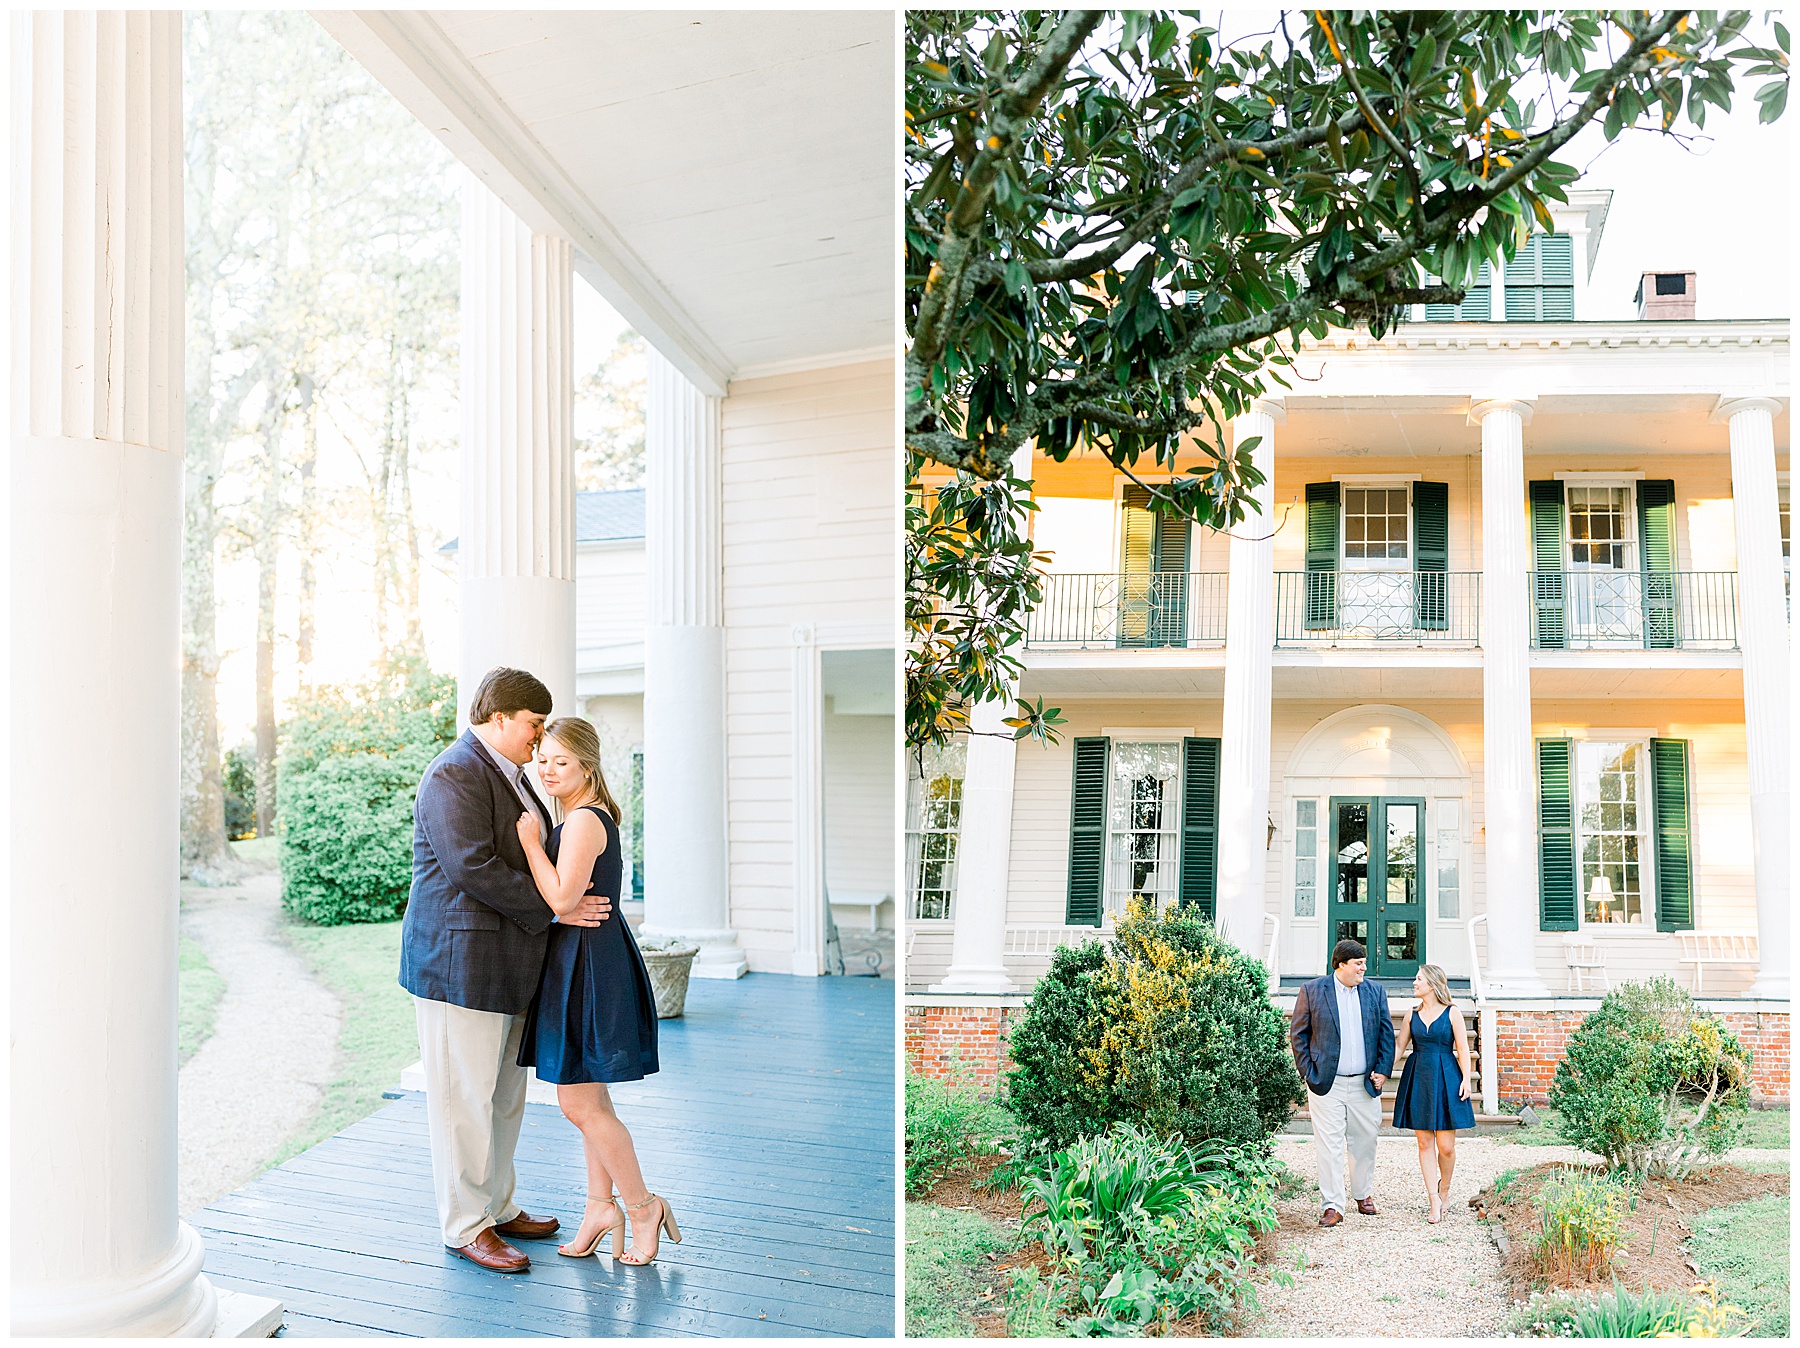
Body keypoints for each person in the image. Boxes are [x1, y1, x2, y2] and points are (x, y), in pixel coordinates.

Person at [401, 666, 611, 1274]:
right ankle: (465, 1225)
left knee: (502, 1098)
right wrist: (555, 907)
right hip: (457, 967)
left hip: (508, 966)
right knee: (461, 1100)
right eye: (533, 724)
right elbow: (473, 868)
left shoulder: (513, 775)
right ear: (499, 719)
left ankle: (496, 1203)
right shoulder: (453, 774)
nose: (539, 738)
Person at [515, 716, 678, 1267]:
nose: (548, 770)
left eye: (562, 762)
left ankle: (642, 1205)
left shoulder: (584, 821)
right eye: (543, 760)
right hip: (582, 961)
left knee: (577, 1101)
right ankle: (598, 1207)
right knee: (591, 1099)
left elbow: (562, 900)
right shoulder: (587, 815)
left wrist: (531, 844)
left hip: (588, 965)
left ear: (587, 765)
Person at [1289, 939, 1395, 1227]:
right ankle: (1333, 1206)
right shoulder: (1312, 991)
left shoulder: (1374, 991)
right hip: (1326, 1083)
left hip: (1365, 1083)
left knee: (1365, 1140)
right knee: (1330, 1145)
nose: (1364, 968)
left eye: (1363, 962)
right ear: (1340, 965)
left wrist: (1383, 1070)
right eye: (1358, 963)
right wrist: (1309, 1074)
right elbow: (1298, 1035)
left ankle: (1363, 1194)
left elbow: (1387, 1033)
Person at [1390, 963, 1477, 1223]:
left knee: (1446, 1147)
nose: (1414, 983)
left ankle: (1445, 1190)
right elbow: (1398, 1048)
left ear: (1432, 984)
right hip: (1419, 1076)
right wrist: (1380, 1069)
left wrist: (1466, 1079)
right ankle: (1433, 1200)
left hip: (1447, 1076)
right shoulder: (1410, 1014)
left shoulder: (1453, 1013)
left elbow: (1463, 1049)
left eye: (1418, 979)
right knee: (1424, 1142)